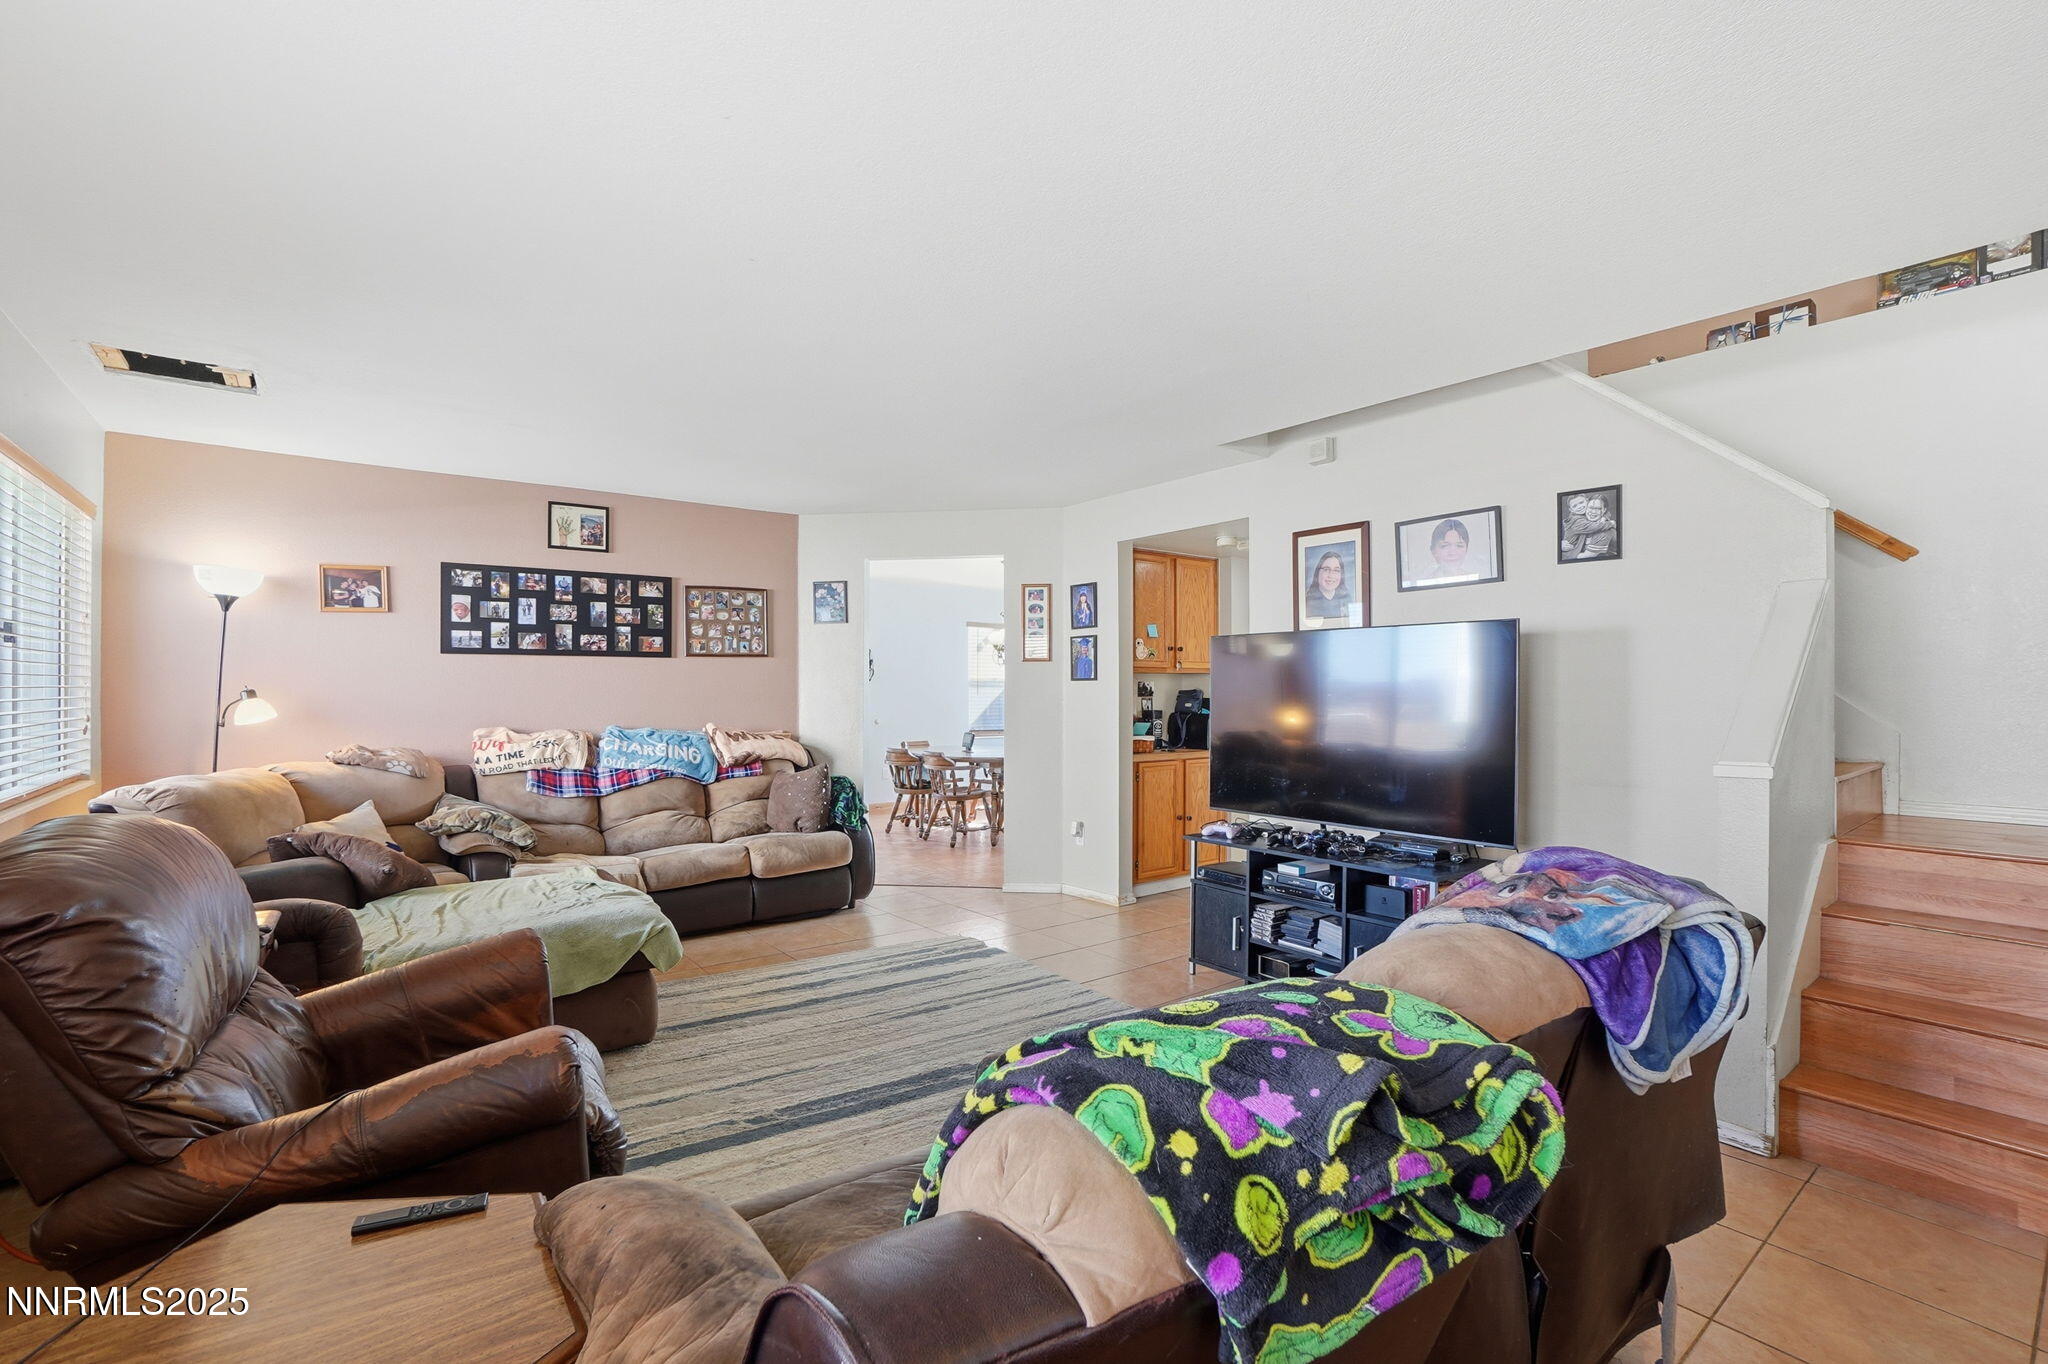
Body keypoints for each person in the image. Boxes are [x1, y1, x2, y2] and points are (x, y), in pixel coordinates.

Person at [1304, 550, 1351, 619]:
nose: (1331, 575)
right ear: (1318, 573)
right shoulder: (1307, 602)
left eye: (1336, 570)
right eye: (1326, 569)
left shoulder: (1347, 599)